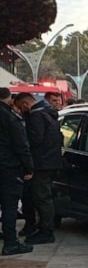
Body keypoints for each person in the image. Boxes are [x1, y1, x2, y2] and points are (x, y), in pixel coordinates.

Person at [14, 92, 63, 245]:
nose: (21, 111)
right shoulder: (49, 115)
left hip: (42, 163)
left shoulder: (36, 117)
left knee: (42, 198)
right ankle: (43, 228)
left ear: (24, 104)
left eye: (20, 107)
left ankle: (46, 231)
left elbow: (34, 141)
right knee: (43, 197)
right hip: (51, 162)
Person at [0, 87, 34, 255]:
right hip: (8, 168)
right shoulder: (10, 118)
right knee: (9, 207)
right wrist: (29, 167)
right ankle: (11, 243)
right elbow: (21, 146)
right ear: (10, 100)